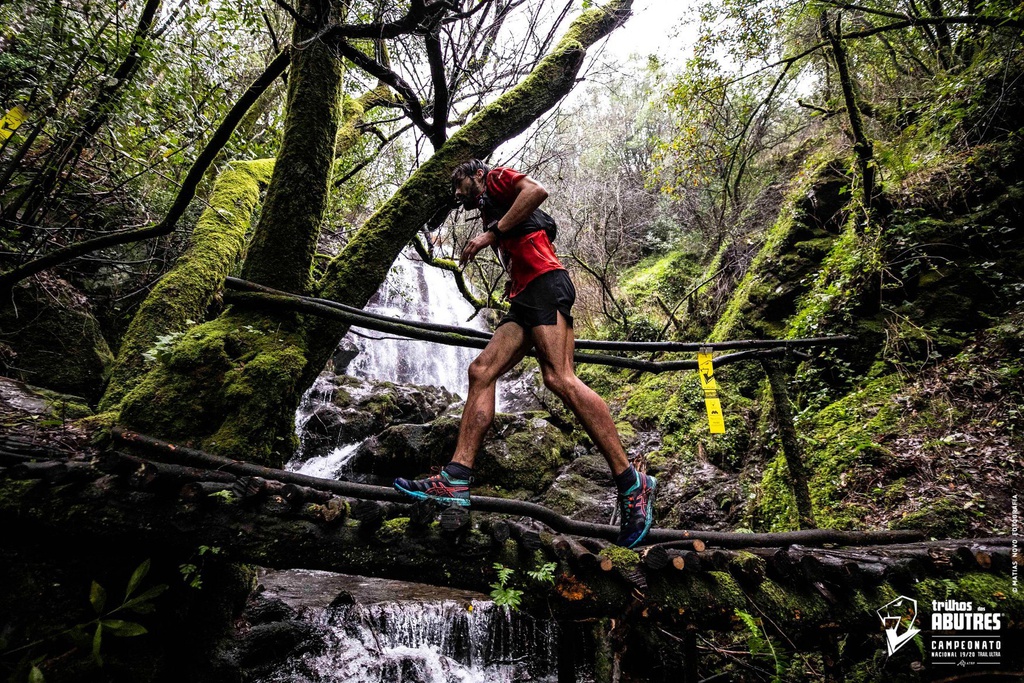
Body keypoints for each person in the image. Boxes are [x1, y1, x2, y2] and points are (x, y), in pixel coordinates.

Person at [393, 159, 657, 548]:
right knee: (481, 370)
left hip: (545, 284)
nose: (457, 192)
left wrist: (491, 235)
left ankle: (631, 483)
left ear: (476, 174)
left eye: (460, 183)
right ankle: (455, 478)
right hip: (524, 295)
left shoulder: (496, 178)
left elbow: (536, 192)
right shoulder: (489, 205)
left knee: (559, 378)